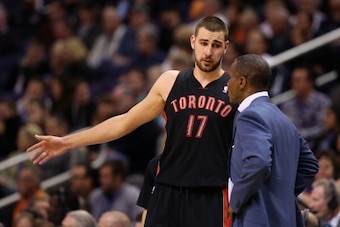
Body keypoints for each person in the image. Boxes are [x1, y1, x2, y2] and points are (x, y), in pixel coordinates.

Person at [27, 16, 236, 227]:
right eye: (203, 43)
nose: (208, 52)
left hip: (210, 191)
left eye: (216, 45)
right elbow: (123, 122)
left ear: (225, 47)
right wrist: (66, 142)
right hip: (167, 188)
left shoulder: (235, 88)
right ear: (193, 42)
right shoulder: (170, 81)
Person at [226, 54, 319, 227]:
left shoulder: (249, 116)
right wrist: (278, 192)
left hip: (256, 217)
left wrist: (236, 200)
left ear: (242, 82)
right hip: (286, 218)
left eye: (230, 78)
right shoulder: (282, 117)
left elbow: (259, 163)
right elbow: (310, 164)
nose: (227, 85)